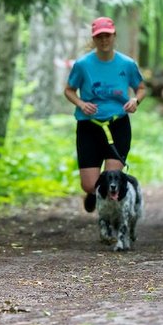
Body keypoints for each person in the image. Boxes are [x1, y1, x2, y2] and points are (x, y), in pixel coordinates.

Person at [64, 16, 146, 225]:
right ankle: (93, 194)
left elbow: (141, 88)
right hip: (89, 126)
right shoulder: (83, 64)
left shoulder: (127, 64)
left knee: (112, 178)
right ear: (94, 39)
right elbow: (69, 90)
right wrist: (81, 104)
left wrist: (136, 100)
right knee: (90, 185)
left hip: (118, 124)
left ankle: (113, 222)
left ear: (114, 36)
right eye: (99, 36)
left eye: (107, 35)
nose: (104, 40)